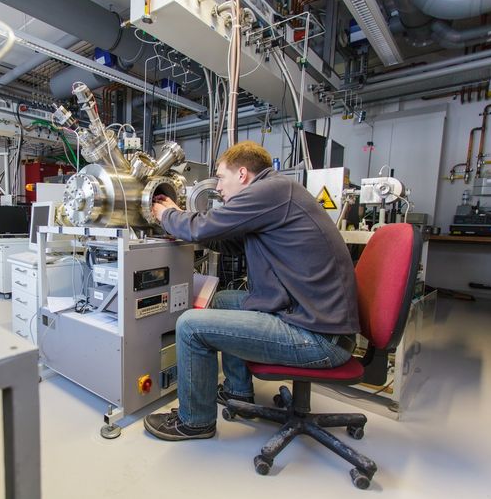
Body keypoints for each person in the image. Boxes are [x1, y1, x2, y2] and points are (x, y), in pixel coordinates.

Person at [143, 141, 360, 441]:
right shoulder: (278, 193)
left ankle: (194, 421)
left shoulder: (271, 190)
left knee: (190, 325)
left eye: (221, 177)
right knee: (220, 301)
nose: (218, 187)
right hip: (309, 315)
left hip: (318, 337)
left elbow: (202, 228)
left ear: (243, 174)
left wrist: (168, 214)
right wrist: (187, 230)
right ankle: (238, 390)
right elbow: (228, 241)